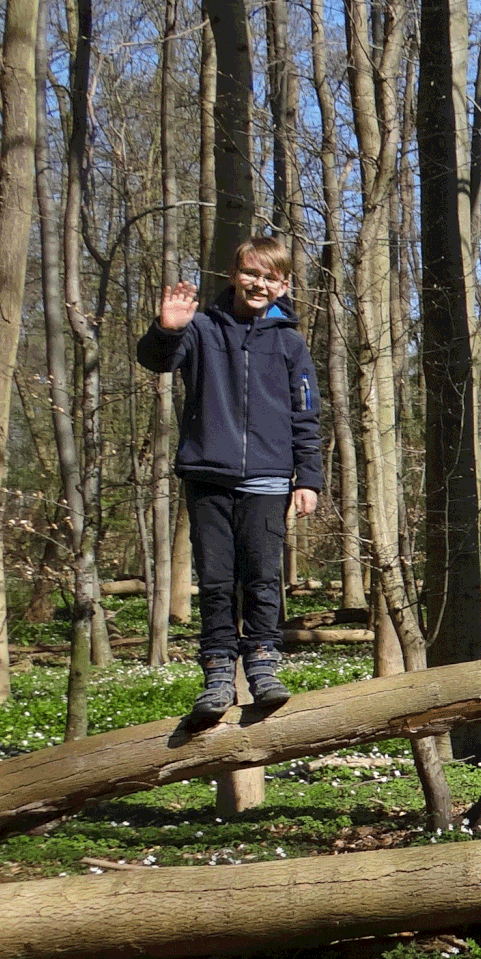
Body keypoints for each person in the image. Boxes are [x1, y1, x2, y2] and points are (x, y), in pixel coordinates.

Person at [138, 237, 323, 728]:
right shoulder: (200, 328)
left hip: (267, 476)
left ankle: (263, 661)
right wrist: (166, 329)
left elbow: (306, 415)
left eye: (271, 278)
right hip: (207, 475)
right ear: (235, 274)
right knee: (217, 581)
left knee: (263, 576)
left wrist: (308, 478)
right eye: (251, 274)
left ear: (284, 284)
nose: (259, 284)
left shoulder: (289, 340)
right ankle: (218, 670)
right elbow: (156, 359)